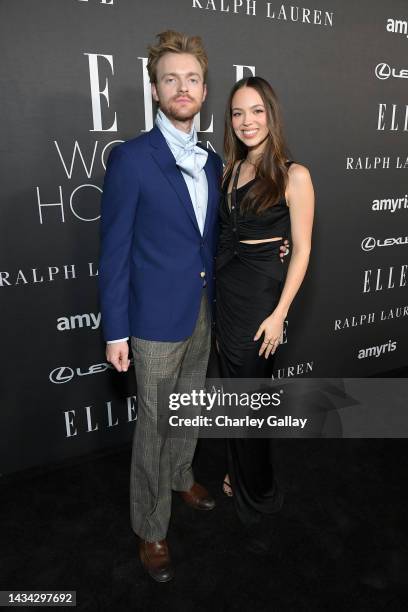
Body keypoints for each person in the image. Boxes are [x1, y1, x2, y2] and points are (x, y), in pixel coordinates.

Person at [99, 31, 289, 581]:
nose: (182, 87)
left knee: (191, 407)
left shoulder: (212, 159)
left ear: (204, 90)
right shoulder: (132, 159)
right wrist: (116, 331)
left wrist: (273, 249)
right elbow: (112, 254)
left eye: (192, 79)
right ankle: (151, 527)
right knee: (154, 425)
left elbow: (223, 233)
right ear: (154, 89)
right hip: (154, 321)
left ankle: (182, 477)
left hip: (206, 309)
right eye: (170, 78)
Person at [215, 76, 314, 547]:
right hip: (227, 296)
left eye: (255, 111)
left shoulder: (295, 175)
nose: (246, 121)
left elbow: (302, 249)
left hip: (261, 303)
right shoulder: (230, 172)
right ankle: (238, 473)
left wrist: (280, 313)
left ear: (271, 115)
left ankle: (258, 487)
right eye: (237, 113)